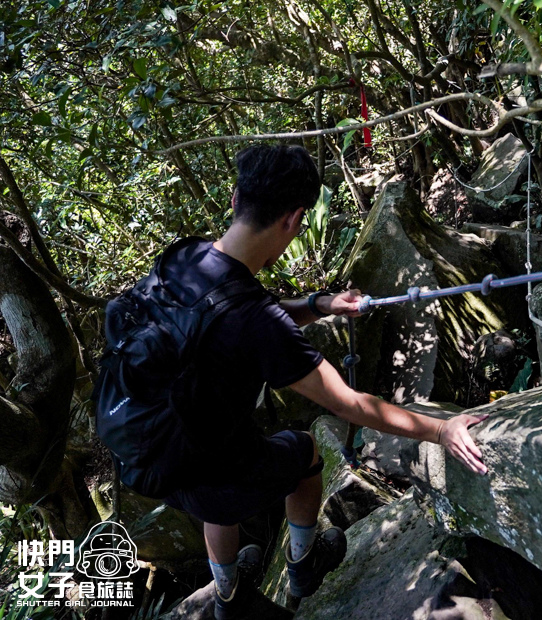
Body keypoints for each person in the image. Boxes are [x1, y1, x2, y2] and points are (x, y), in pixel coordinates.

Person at [126, 144, 489, 619]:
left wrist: (319, 305)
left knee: (217, 489)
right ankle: (303, 562)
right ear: (295, 220)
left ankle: (228, 593)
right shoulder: (257, 322)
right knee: (306, 455)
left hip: (147, 450)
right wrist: (440, 430)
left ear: (236, 198)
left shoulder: (184, 257)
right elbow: (349, 405)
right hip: (201, 465)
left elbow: (231, 325)